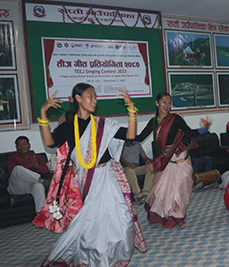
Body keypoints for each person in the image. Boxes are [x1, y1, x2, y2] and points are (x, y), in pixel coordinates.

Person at [34, 83, 146, 266]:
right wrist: (43, 113)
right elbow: (49, 142)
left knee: (123, 216)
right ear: (78, 98)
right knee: (93, 219)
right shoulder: (69, 126)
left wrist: (131, 109)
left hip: (109, 174)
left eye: (95, 97)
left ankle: (117, 252)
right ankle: (94, 254)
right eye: (90, 96)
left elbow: (131, 136)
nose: (94, 100)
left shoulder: (102, 125)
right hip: (88, 178)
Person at [134, 92, 211, 228]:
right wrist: (122, 134)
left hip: (180, 156)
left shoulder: (175, 119)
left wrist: (203, 129)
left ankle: (178, 216)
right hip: (165, 159)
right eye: (164, 102)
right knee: (161, 190)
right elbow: (139, 138)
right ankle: (163, 214)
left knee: (180, 189)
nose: (167, 105)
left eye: (169, 103)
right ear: (157, 103)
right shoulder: (153, 122)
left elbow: (189, 132)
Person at [7, 136, 50, 213]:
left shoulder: (36, 156)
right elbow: (12, 173)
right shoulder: (12, 157)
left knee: (39, 186)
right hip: (17, 187)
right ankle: (42, 181)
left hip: (31, 185)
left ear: (29, 145)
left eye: (24, 144)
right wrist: (30, 165)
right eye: (19, 145)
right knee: (17, 168)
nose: (22, 147)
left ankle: (41, 215)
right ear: (16, 147)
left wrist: (36, 166)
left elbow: (46, 170)